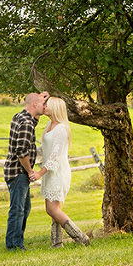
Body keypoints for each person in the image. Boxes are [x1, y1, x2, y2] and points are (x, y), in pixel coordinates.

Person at [33, 96, 89, 246]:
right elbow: (45, 150)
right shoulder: (50, 125)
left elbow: (55, 156)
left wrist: (39, 173)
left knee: (52, 209)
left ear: (55, 108)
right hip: (50, 173)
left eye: (47, 105)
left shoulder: (62, 129)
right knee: (53, 209)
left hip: (57, 172)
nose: (44, 107)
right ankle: (57, 243)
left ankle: (81, 238)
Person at [4, 91, 48, 250]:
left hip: (13, 170)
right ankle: (14, 245)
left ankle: (16, 241)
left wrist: (40, 99)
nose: (45, 106)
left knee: (24, 207)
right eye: (43, 104)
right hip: (18, 172)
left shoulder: (20, 116)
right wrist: (30, 171)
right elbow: (21, 151)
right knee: (18, 209)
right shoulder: (26, 124)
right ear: (35, 104)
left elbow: (32, 121)